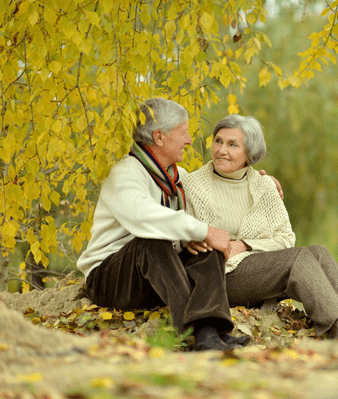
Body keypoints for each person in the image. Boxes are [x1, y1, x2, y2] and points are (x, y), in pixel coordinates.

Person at [182, 115, 338, 342]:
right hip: (220, 278)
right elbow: (189, 238)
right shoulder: (194, 185)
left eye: (232, 145)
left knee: (318, 252)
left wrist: (244, 245)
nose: (221, 150)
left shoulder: (263, 186)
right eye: (218, 141)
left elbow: (285, 238)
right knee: (298, 258)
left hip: (257, 268)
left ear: (249, 154)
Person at [77, 98, 250, 351]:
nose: (190, 139)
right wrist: (201, 230)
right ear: (159, 137)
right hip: (110, 281)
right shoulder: (124, 174)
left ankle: (208, 334)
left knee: (206, 246)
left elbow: (220, 190)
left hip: (154, 277)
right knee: (152, 240)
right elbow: (143, 217)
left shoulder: (177, 177)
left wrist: (257, 182)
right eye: (184, 132)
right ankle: (189, 331)